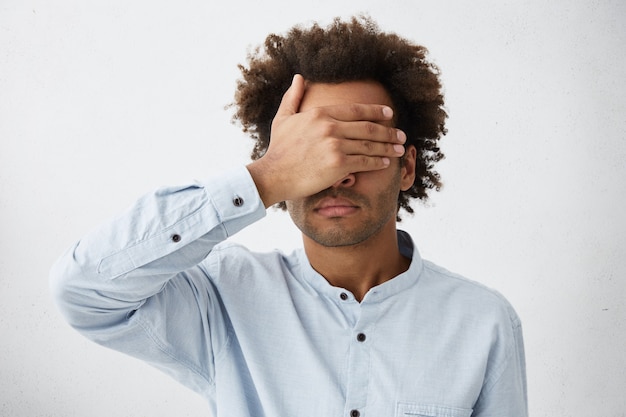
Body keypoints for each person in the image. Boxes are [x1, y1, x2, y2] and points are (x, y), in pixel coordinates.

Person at [50, 16, 527, 417]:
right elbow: (82, 291)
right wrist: (266, 176)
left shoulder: (483, 321)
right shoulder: (222, 298)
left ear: (405, 168)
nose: (336, 176)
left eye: (359, 149)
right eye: (315, 153)